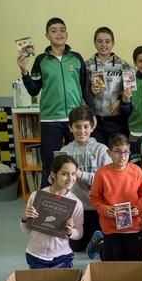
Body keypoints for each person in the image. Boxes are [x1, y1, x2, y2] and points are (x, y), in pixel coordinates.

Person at [17, 17, 90, 188]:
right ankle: (46, 205)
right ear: (47, 35)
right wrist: (25, 72)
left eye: (62, 30)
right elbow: (34, 89)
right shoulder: (41, 60)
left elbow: (84, 88)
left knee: (77, 162)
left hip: (75, 120)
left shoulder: (76, 58)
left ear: (67, 34)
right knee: (50, 163)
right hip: (50, 120)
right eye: (54, 30)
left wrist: (89, 115)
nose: (59, 33)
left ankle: (79, 202)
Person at [59, 105, 111, 254]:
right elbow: (59, 183)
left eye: (86, 126)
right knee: (75, 247)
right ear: (70, 128)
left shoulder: (102, 150)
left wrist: (82, 175)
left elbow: (107, 181)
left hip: (96, 208)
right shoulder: (64, 152)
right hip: (75, 208)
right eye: (77, 127)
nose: (82, 131)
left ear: (92, 127)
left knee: (99, 243)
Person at [20, 155, 84, 269]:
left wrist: (69, 232)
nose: (70, 178)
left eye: (73, 174)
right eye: (64, 174)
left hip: (62, 256)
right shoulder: (36, 196)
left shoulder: (76, 203)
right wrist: (25, 218)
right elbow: (26, 230)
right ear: (53, 175)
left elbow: (79, 234)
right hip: (35, 255)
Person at [90, 134, 142, 261]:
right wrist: (104, 209)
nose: (123, 156)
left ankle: (101, 245)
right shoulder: (101, 174)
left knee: (135, 262)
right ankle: (101, 246)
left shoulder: (136, 171)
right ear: (109, 153)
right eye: (118, 152)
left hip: (134, 227)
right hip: (111, 228)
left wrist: (139, 208)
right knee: (113, 263)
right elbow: (94, 198)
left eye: (126, 152)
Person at [86, 26, 131, 144]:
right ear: (95, 43)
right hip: (95, 120)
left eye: (107, 41)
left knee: (117, 153)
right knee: (98, 155)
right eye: (99, 41)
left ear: (113, 43)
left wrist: (121, 101)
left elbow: (130, 89)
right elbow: (82, 91)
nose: (103, 45)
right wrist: (91, 91)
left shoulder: (123, 65)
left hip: (116, 120)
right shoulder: (87, 65)